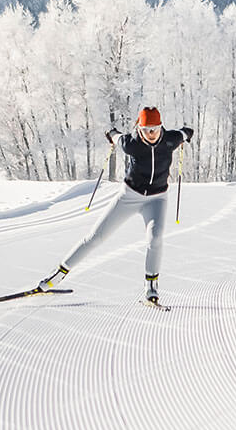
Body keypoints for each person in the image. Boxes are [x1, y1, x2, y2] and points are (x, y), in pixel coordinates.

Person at [38, 107, 194, 306]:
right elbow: (117, 137)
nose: (151, 134)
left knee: (155, 238)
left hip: (157, 199)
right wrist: (111, 134)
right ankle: (57, 275)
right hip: (129, 197)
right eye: (146, 129)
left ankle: (151, 287)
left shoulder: (170, 140)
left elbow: (184, 133)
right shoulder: (131, 143)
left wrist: (187, 133)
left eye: (155, 128)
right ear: (139, 128)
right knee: (96, 237)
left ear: (161, 127)